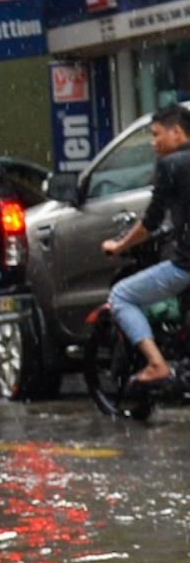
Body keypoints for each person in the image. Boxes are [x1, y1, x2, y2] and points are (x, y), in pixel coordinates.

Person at [101, 102, 190, 385]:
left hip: (186, 266)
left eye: (156, 134)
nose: (153, 143)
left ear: (176, 132)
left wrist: (119, 245)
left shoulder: (170, 166)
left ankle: (156, 364)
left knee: (121, 296)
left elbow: (150, 222)